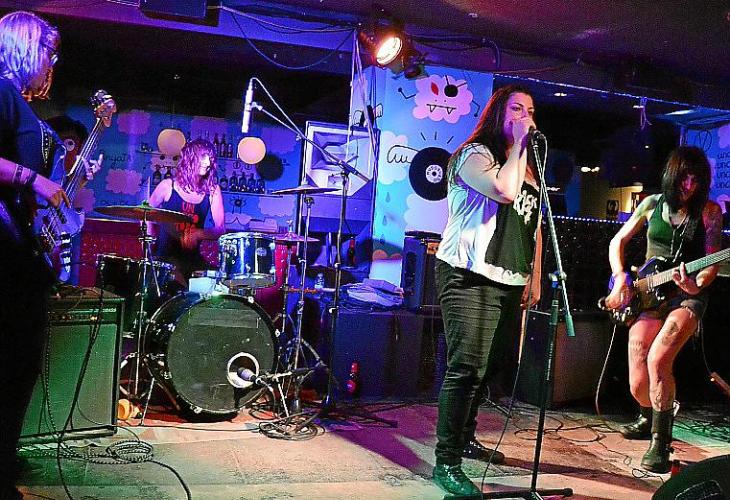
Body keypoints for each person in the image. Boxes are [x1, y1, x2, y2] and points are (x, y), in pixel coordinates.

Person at [432, 84, 543, 496]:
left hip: (510, 277)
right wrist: (519, 146)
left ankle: (465, 437)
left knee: (492, 366)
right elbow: (505, 192)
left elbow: (534, 225)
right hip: (468, 274)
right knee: (467, 367)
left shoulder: (528, 166)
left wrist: (534, 276)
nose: (525, 116)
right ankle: (447, 461)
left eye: (530, 110)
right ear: (498, 113)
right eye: (516, 108)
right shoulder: (475, 155)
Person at [605, 146, 722, 473]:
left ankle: (660, 442)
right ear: (672, 175)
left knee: (659, 358)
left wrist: (696, 284)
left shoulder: (709, 211)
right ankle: (651, 414)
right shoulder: (652, 204)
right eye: (684, 178)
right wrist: (620, 277)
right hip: (648, 292)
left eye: (696, 179)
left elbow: (711, 262)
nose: (689, 185)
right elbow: (617, 242)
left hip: (686, 296)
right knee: (637, 378)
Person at [0, 11, 69, 499]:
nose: (52, 62)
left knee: (18, 370)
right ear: (26, 47)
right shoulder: (1, 93)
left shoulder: (21, 104)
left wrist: (46, 244)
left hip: (19, 253)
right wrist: (33, 179)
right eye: (49, 51)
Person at [148, 138, 225, 286]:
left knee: (220, 285)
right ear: (190, 158)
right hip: (165, 259)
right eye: (203, 157)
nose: (208, 162)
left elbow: (220, 229)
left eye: (210, 158)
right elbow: (145, 213)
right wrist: (150, 242)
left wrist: (198, 233)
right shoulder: (167, 186)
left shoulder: (213, 190)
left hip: (192, 261)